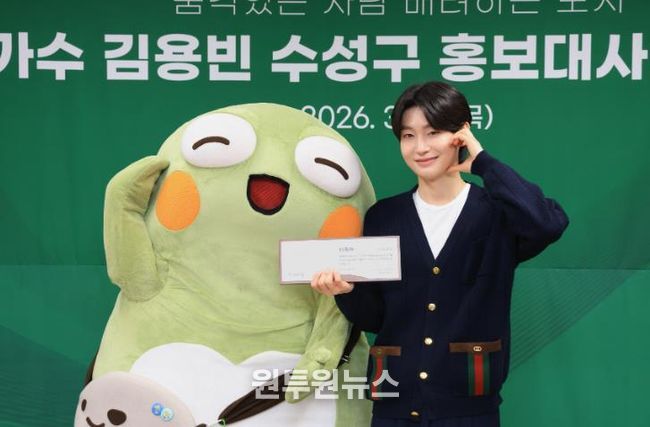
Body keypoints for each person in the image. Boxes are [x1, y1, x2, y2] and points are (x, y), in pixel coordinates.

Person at [310, 81, 569, 427]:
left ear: (461, 134)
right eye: (408, 135)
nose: (420, 147)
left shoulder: (496, 213)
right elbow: (376, 319)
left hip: (469, 409)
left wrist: (484, 162)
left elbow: (546, 224)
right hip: (393, 408)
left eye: (433, 133)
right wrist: (346, 292)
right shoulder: (384, 217)